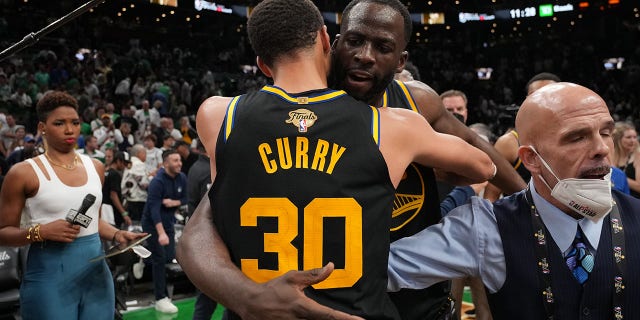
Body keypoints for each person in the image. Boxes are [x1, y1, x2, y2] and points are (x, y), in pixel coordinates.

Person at [179, 0, 525, 319]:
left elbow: (486, 157)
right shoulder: (396, 127)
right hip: (344, 299)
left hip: (414, 299)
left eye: (383, 47)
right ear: (331, 41)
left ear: (401, 61)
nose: (365, 56)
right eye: (355, 42)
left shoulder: (413, 100)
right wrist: (245, 296)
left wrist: (535, 208)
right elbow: (204, 224)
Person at [388, 82, 640, 319]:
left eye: (606, 132)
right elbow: (374, 272)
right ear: (531, 159)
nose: (602, 148)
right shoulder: (486, 226)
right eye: (577, 137)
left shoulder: (636, 215)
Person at [0, 91, 146, 319]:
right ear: (42, 127)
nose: (70, 130)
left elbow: (93, 221)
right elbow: (3, 233)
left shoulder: (96, 167)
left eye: (75, 123)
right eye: (59, 123)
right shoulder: (23, 173)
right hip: (49, 275)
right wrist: (41, 232)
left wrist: (117, 234)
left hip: (96, 275)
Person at [483, 72, 561, 201]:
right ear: (526, 100)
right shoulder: (509, 143)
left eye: (551, 95)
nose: (543, 100)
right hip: (521, 219)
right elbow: (491, 197)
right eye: (536, 95)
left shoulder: (579, 137)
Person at [141, 149, 187, 314]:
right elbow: (154, 210)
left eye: (180, 160)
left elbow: (186, 198)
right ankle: (161, 298)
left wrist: (174, 202)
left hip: (168, 223)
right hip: (152, 224)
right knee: (160, 259)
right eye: (175, 160)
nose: (179, 163)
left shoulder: (182, 177)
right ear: (166, 163)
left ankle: (143, 258)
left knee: (168, 256)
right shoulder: (157, 182)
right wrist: (160, 233)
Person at [186, 139, 218, 319]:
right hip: (209, 239)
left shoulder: (194, 168)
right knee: (209, 299)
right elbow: (212, 205)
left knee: (206, 299)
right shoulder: (207, 171)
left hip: (199, 235)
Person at [103, 150, 132, 228]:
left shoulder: (106, 172)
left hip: (103, 209)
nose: (125, 166)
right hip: (110, 211)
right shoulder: (115, 174)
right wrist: (124, 213)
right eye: (124, 163)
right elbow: (113, 195)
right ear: (118, 161)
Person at [611, 122, 640, 197]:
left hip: (634, 201)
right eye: (628, 137)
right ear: (618, 139)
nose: (633, 140)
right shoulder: (611, 156)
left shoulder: (638, 156)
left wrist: (620, 177)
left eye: (635, 137)